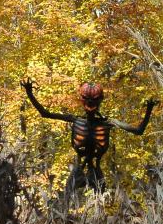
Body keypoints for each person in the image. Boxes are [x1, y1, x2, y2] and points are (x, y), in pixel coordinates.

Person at [21, 79, 156, 192]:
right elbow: (45, 113)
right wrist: (29, 92)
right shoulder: (79, 120)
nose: (90, 103)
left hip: (94, 171)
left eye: (94, 100)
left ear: (100, 100)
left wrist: (149, 109)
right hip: (81, 169)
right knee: (68, 199)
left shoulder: (106, 122)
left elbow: (138, 130)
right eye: (86, 99)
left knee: (100, 202)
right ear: (81, 99)